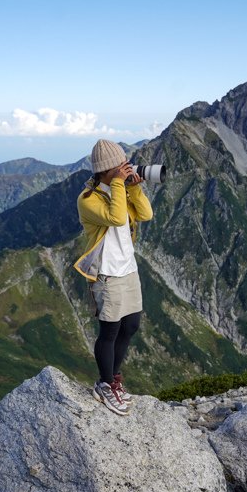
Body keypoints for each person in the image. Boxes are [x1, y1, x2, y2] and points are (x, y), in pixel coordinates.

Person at [73, 139, 153, 416]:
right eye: (120, 165)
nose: (125, 167)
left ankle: (115, 379)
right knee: (109, 331)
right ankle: (105, 384)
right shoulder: (88, 199)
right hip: (107, 273)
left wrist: (135, 187)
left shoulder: (121, 189)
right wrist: (120, 185)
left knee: (130, 326)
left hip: (128, 268)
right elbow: (117, 218)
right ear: (107, 169)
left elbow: (145, 213)